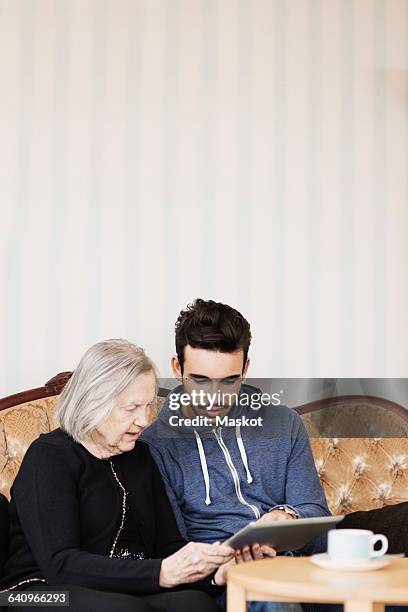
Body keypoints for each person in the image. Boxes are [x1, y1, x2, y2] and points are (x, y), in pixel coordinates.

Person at [0, 339, 235, 612]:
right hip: (35, 590)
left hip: (120, 588)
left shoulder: (141, 457)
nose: (145, 420)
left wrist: (214, 574)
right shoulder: (49, 457)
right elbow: (60, 565)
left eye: (148, 405)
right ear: (93, 403)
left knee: (194, 605)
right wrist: (159, 573)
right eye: (131, 408)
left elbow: (169, 546)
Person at [142, 299, 331, 611]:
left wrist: (287, 517)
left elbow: (320, 523)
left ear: (245, 368)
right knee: (270, 599)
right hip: (228, 583)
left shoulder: (283, 422)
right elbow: (172, 548)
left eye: (229, 380)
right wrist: (230, 558)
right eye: (200, 380)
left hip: (301, 571)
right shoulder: (154, 448)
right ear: (178, 368)